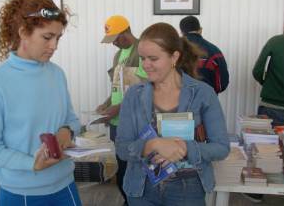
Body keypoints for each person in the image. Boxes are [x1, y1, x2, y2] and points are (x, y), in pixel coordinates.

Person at [0, 0, 82, 206]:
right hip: (21, 194)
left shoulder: (57, 74)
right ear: (23, 32)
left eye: (58, 38)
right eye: (47, 37)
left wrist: (67, 131)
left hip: (65, 185)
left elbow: (72, 119)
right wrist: (32, 164)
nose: (54, 46)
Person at [115, 22, 230, 205]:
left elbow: (222, 147)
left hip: (187, 191)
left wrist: (185, 148)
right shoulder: (134, 95)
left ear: (174, 57)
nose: (146, 65)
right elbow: (122, 148)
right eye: (142, 58)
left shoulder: (202, 93)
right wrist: (151, 145)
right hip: (141, 189)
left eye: (153, 59)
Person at [96, 15, 147, 205]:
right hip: (118, 122)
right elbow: (118, 87)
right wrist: (107, 104)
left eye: (116, 39)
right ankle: (128, 200)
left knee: (136, 167)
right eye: (111, 40)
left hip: (135, 122)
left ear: (127, 31)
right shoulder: (118, 55)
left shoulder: (142, 51)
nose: (114, 44)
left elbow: (143, 89)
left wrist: (117, 108)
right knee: (122, 167)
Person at [245, 28, 284, 203]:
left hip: (272, 103)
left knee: (265, 148)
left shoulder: (276, 42)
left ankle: (257, 191)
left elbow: (257, 70)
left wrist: (268, 85)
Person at [179, 15, 229, 94]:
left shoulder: (172, 50)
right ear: (200, 30)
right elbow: (222, 84)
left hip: (177, 101)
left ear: (182, 32)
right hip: (206, 100)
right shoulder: (214, 51)